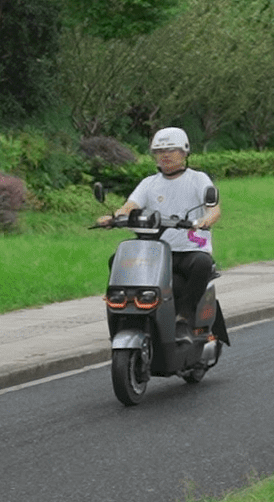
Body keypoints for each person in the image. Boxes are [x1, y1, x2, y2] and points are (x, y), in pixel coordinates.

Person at [97, 126, 231, 345]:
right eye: (160, 151)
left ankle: (184, 319)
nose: (166, 155)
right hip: (156, 253)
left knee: (202, 264)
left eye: (172, 150)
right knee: (118, 260)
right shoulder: (149, 183)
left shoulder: (198, 179)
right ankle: (126, 314)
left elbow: (213, 208)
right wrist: (114, 217)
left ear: (185, 152)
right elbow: (130, 205)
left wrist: (206, 220)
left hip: (189, 250)